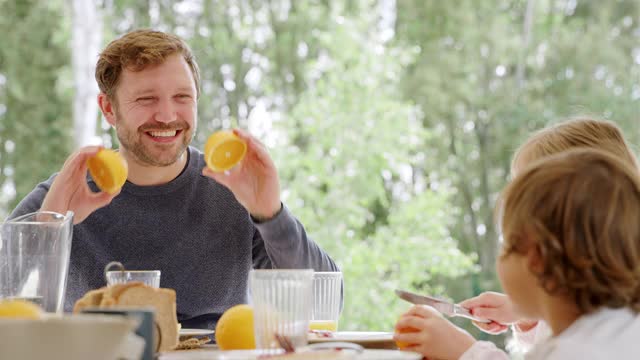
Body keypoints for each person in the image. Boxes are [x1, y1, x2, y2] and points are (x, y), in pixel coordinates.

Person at [8, 29, 340, 329]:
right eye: (146, 99)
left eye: (182, 97)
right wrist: (49, 230)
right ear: (108, 108)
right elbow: (12, 313)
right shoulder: (64, 194)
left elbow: (324, 303)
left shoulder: (233, 189)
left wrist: (272, 214)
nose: (167, 116)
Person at [393, 118, 640, 359]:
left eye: (509, 242)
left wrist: (465, 352)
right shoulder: (619, 323)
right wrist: (532, 312)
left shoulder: (580, 349)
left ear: (536, 255)